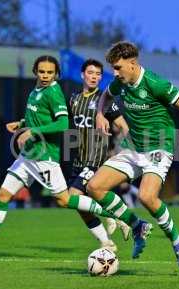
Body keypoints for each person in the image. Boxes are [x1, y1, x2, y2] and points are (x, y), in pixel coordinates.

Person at [0, 55, 116, 261]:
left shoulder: (53, 92)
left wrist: (32, 132)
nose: (46, 75)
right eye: (42, 71)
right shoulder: (36, 91)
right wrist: (21, 124)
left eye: (50, 72)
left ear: (56, 73)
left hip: (43, 156)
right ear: (35, 72)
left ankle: (111, 215)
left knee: (64, 200)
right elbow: (37, 118)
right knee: (2, 195)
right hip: (27, 156)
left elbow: (62, 124)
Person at [87, 41, 179, 273]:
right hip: (133, 147)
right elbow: (105, 97)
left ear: (133, 63)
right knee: (94, 187)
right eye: (113, 69)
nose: (114, 73)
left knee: (147, 197)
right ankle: (137, 226)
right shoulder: (120, 82)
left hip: (160, 146)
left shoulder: (154, 83)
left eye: (118, 67)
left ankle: (178, 242)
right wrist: (100, 114)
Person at [68, 59, 130, 252]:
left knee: (73, 196)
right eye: (90, 73)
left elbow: (124, 127)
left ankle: (115, 216)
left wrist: (122, 153)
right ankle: (106, 242)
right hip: (79, 159)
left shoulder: (104, 100)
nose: (94, 77)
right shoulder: (73, 99)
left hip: (95, 160)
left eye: (98, 74)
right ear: (82, 75)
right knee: (80, 207)